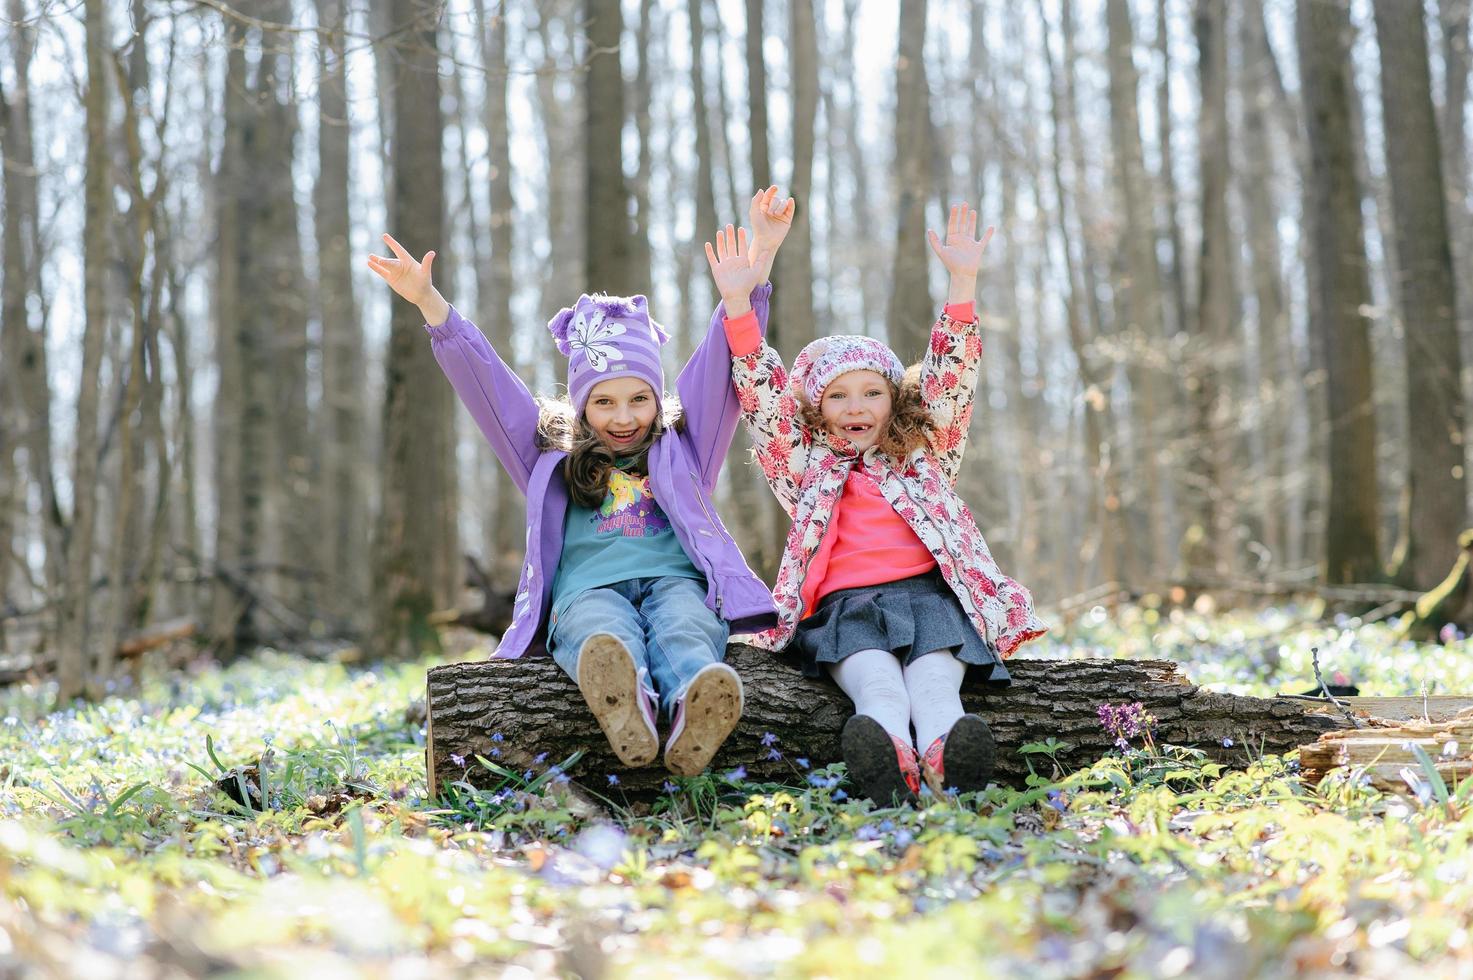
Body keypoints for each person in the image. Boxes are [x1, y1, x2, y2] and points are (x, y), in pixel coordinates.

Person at [366, 188, 793, 775]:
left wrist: (753, 277)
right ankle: (628, 709)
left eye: (640, 399)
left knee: (687, 624)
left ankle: (697, 707)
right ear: (581, 406)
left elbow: (722, 363)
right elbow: (489, 387)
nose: (624, 417)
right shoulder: (549, 455)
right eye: (606, 402)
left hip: (677, 581)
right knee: (600, 635)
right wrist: (432, 304)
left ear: (658, 398)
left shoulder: (686, 444)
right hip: (586, 592)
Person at [724, 202, 1047, 802]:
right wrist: (740, 307)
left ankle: (950, 757)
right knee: (879, 688)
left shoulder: (924, 454)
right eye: (839, 396)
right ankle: (889, 763)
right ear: (817, 411)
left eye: (872, 392)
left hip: (929, 602)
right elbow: (764, 402)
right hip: (848, 611)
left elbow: (954, 376)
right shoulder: (806, 469)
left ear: (895, 400)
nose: (856, 407)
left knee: (934, 689)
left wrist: (963, 284)